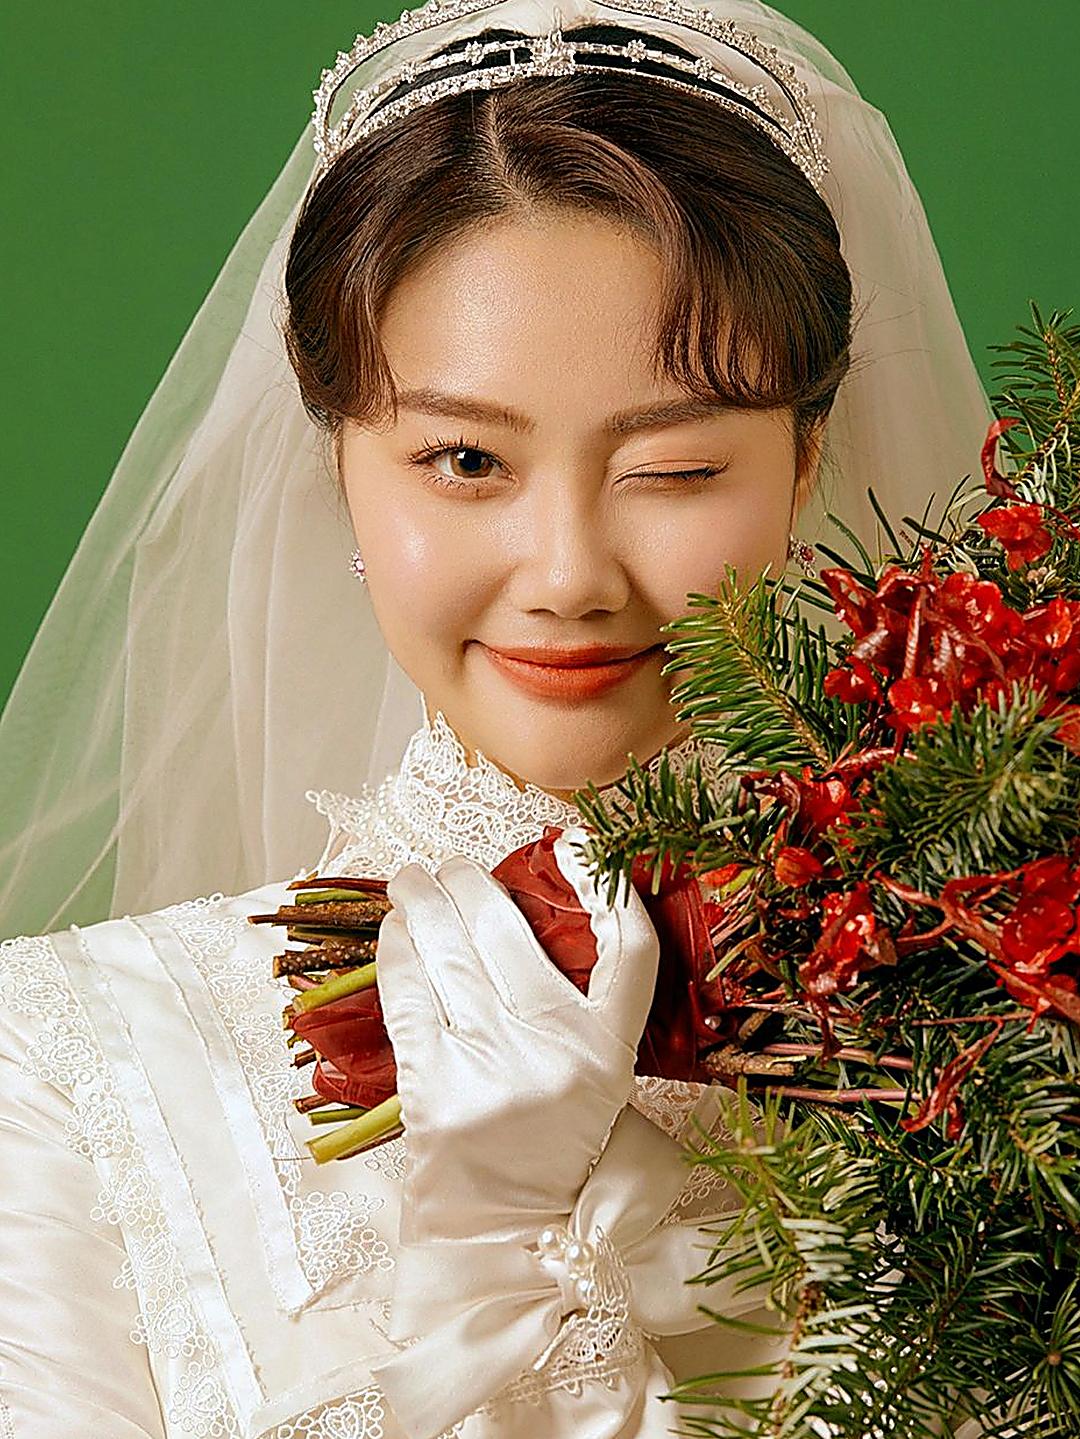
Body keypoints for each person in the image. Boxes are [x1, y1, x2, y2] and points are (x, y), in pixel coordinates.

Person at [0, 0, 995, 1434]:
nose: (570, 574)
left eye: (673, 467)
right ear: (340, 462)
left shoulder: (993, 1043)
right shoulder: (64, 1073)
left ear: (804, 461)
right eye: (465, 460)